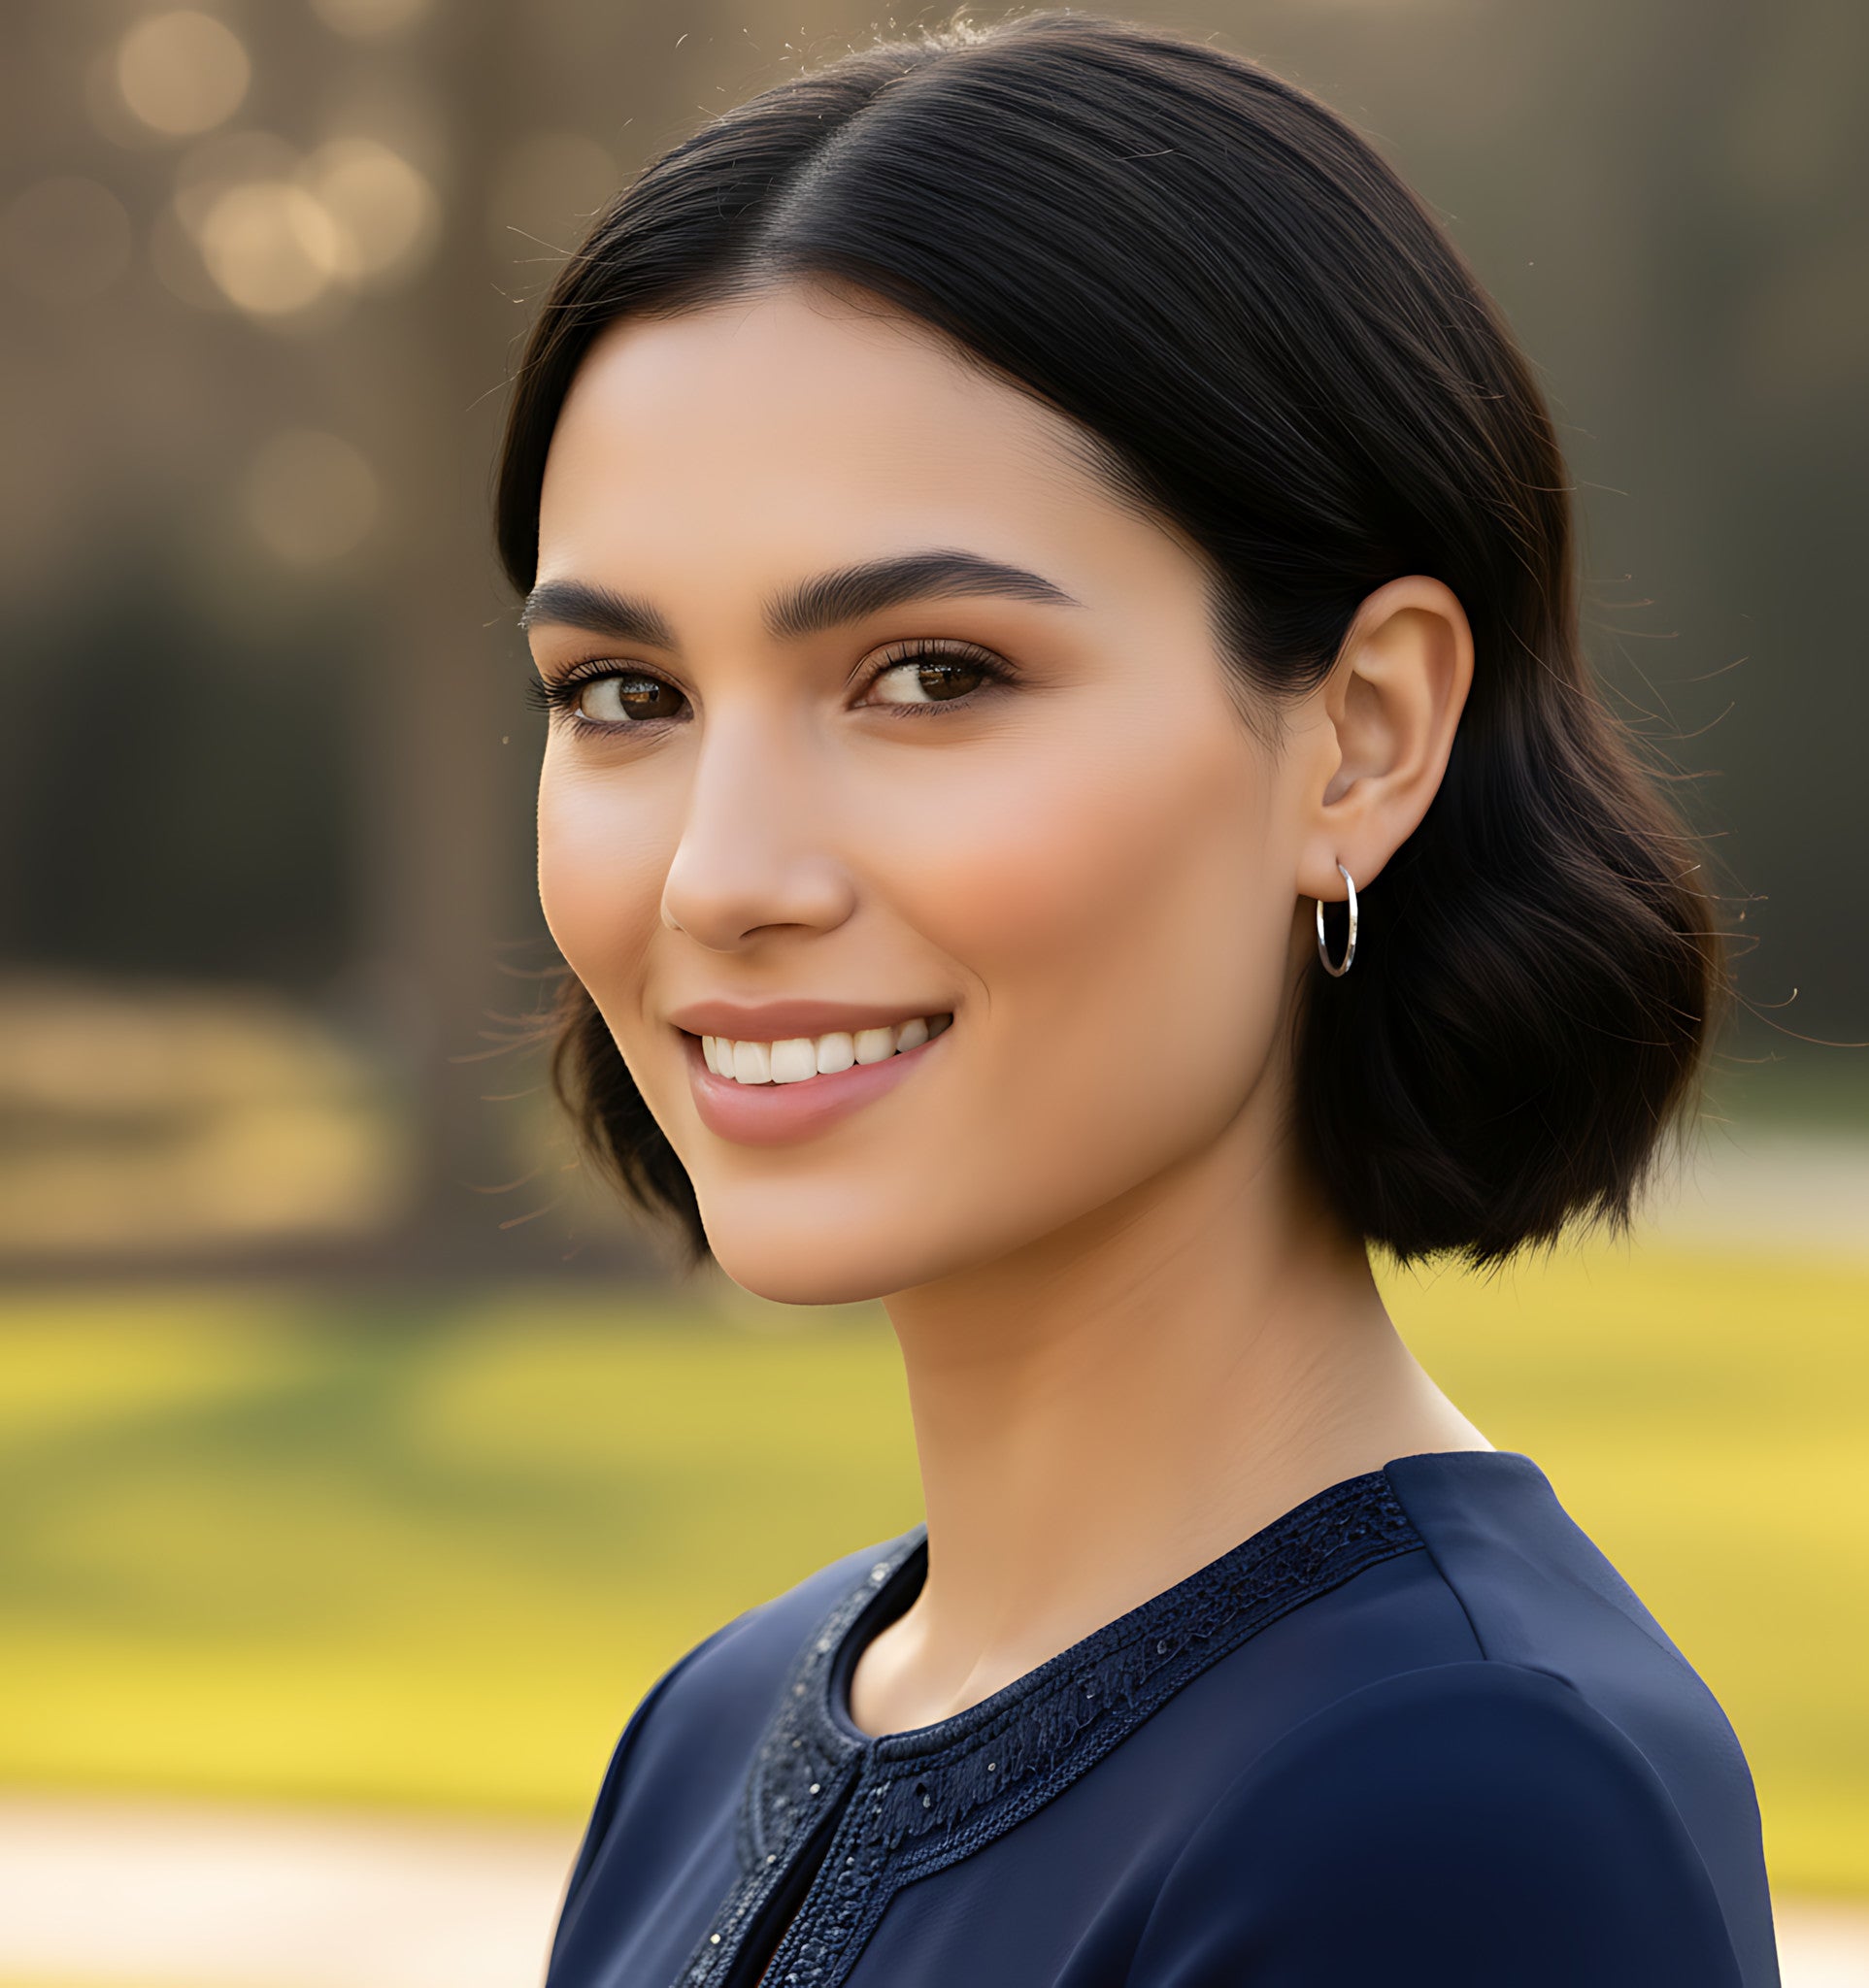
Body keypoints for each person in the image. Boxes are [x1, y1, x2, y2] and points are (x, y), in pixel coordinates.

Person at [495, 13, 1776, 1984]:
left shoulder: (1457, 1803)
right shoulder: (713, 1728)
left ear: (1358, 737)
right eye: (624, 696)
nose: (720, 877)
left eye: (928, 673)